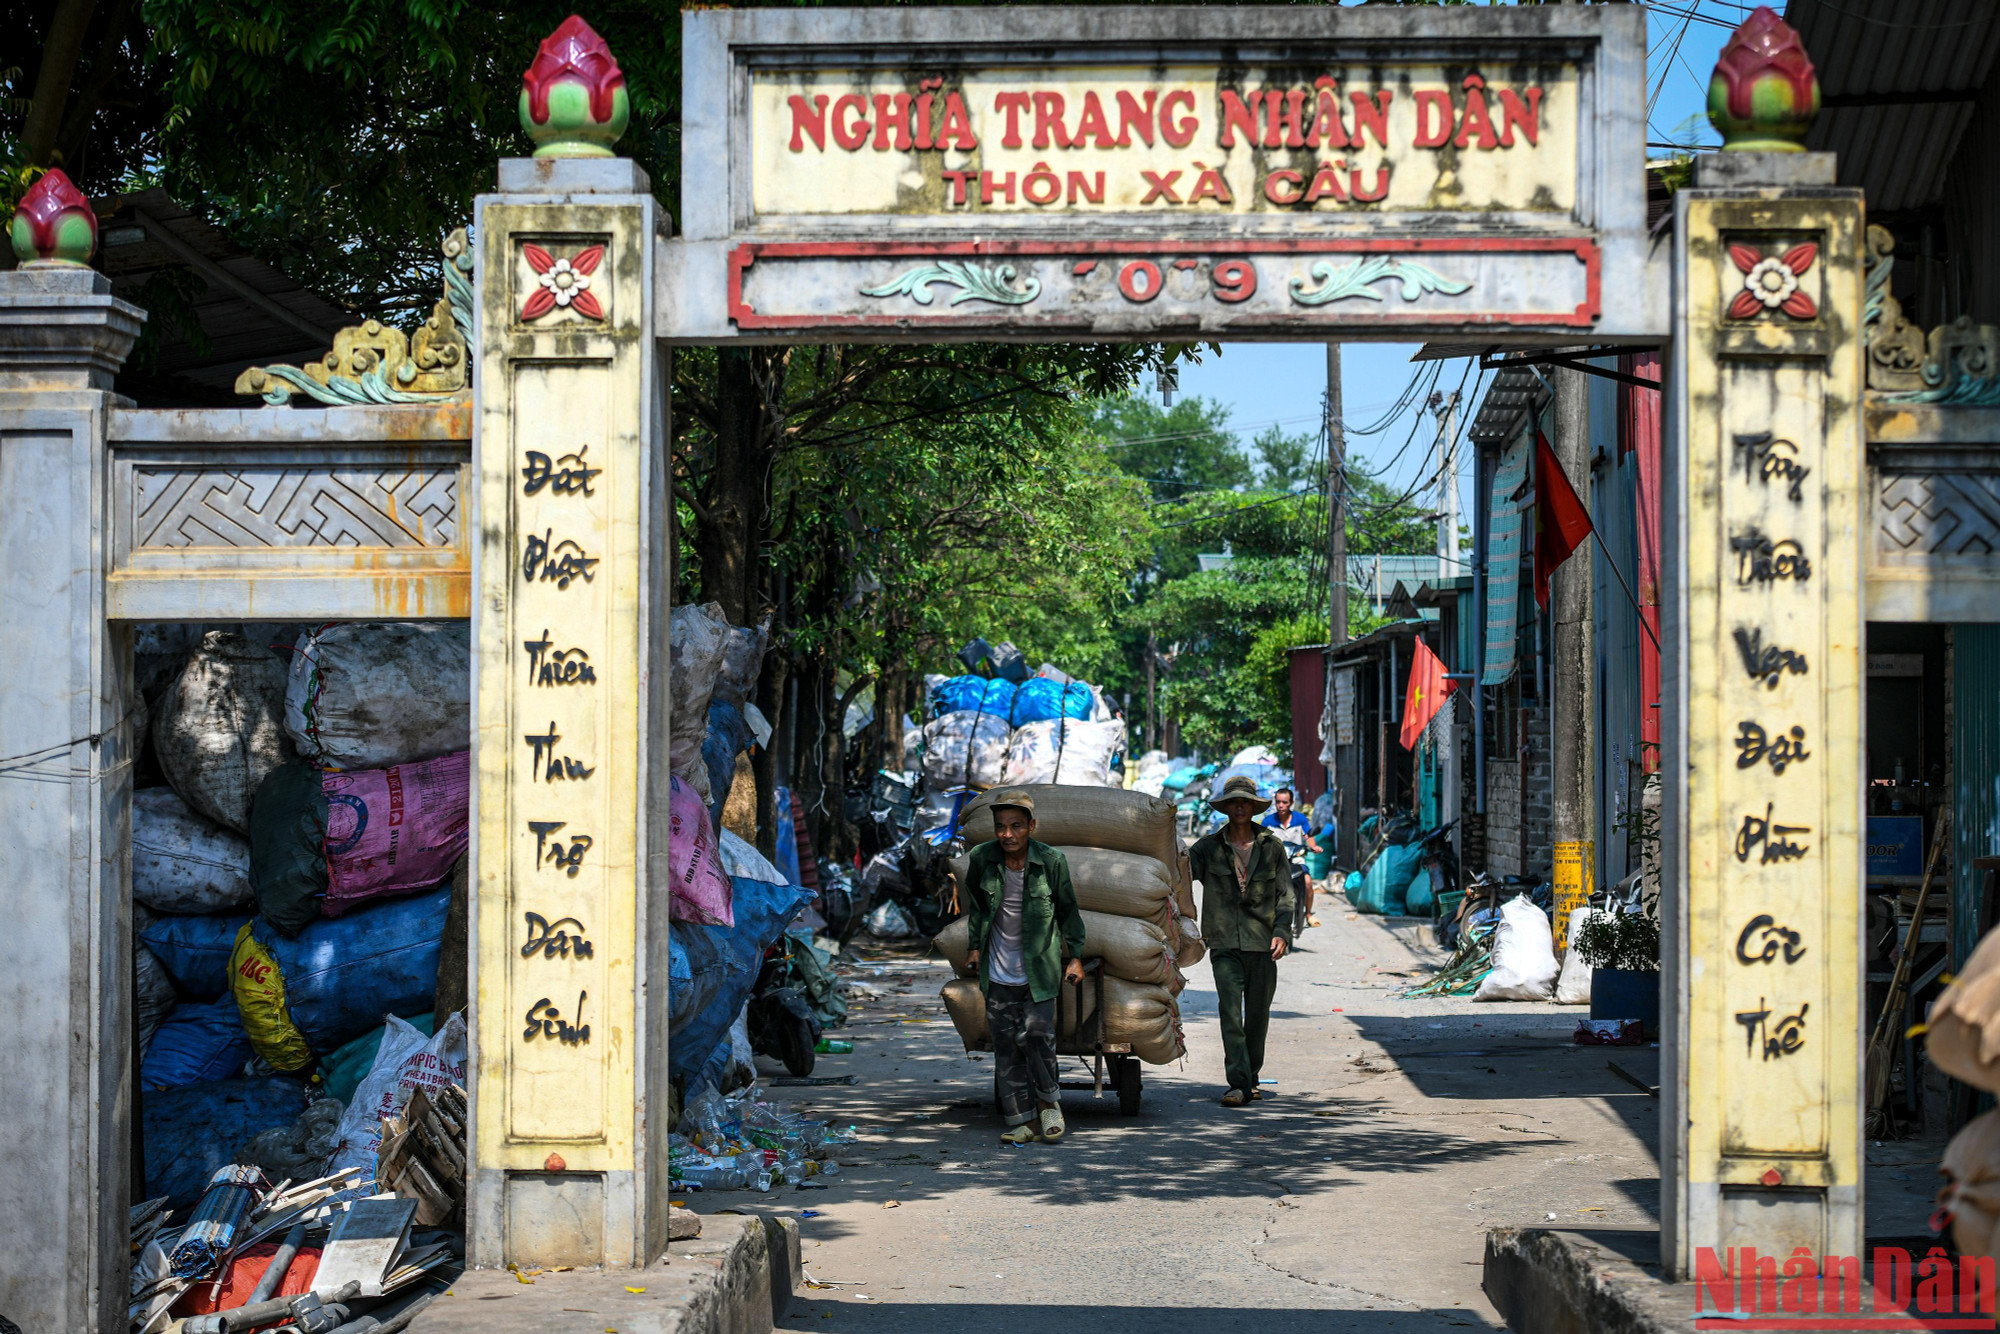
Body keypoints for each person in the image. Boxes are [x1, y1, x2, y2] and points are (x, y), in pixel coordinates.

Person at [963, 791, 1087, 1144]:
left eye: (1016, 826)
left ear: (1031, 826)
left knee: (1037, 1036)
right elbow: (977, 907)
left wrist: (1076, 955)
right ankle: (1023, 1121)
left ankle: (1048, 1105)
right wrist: (974, 946)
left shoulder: (1051, 861)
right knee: (1006, 1047)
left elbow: (1068, 910)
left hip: (1039, 971)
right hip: (997, 971)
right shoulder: (983, 858)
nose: (1007, 834)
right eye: (1001, 827)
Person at [1188, 775, 1295, 1107]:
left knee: (1258, 1015)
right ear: (1225, 808)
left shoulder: (1271, 847)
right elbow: (1177, 874)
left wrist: (1282, 932)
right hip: (1224, 944)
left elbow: (1286, 896)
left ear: (1252, 807)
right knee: (1231, 1014)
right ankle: (1238, 1083)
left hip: (1262, 944)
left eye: (1244, 802)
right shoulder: (1207, 848)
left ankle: (1251, 1077)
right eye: (1233, 802)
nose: (1239, 808)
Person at [1260, 787, 1322, 933]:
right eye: (1278, 802)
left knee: (1307, 882)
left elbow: (1308, 837)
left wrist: (1313, 846)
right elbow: (1260, 840)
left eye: (1284, 802)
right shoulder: (1268, 821)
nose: (1281, 805)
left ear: (1291, 803)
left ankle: (1308, 914)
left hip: (1296, 860)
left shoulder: (1300, 819)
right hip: (1275, 862)